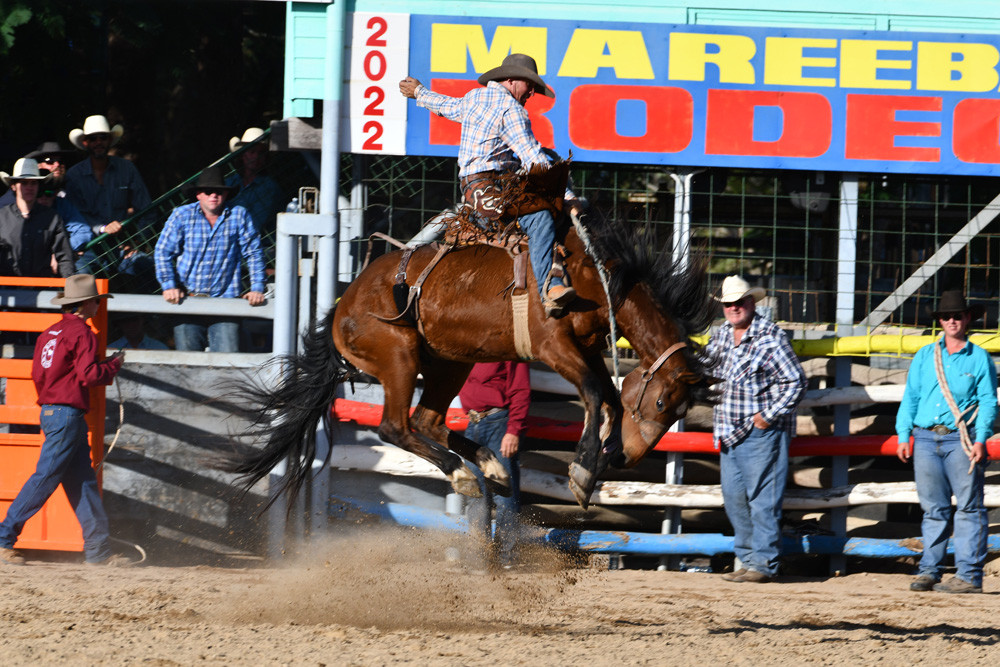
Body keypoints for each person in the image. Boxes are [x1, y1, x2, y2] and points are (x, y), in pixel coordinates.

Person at [399, 53, 578, 313]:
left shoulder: (475, 97)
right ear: (512, 80)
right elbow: (534, 161)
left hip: (477, 188)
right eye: (530, 86)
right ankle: (550, 287)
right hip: (491, 189)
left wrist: (419, 91)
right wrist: (569, 197)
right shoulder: (512, 110)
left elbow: (446, 106)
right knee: (540, 217)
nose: (531, 94)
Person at [0, 274, 127, 567]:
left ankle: (99, 551)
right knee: (47, 476)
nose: (98, 305)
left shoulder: (49, 333)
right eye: (96, 300)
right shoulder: (83, 333)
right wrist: (113, 365)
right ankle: (4, 537)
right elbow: (89, 375)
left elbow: (39, 374)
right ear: (86, 304)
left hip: (53, 411)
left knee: (81, 480)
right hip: (67, 414)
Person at [705, 275, 807, 583]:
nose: (734, 308)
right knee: (735, 499)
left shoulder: (770, 336)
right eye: (728, 304)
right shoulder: (720, 335)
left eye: (739, 302)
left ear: (752, 303)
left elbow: (796, 381)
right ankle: (749, 560)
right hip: (728, 430)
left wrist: (768, 416)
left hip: (760, 431)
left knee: (763, 501)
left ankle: (762, 564)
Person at [896, 290, 997, 595]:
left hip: (960, 439)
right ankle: (931, 570)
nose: (952, 320)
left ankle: (968, 575)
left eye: (957, 315)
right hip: (926, 438)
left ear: (968, 318)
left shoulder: (979, 358)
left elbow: (988, 402)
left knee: (968, 508)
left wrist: (980, 439)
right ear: (939, 321)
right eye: (946, 316)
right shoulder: (926, 355)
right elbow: (911, 397)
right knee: (934, 509)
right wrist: (904, 434)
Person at [154, 166, 267, 352]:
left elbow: (254, 253)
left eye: (219, 191)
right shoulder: (181, 215)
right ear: (198, 194)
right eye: (208, 191)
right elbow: (162, 252)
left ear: (226, 194)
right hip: (186, 300)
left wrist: (256, 288)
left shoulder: (239, 215)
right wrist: (169, 286)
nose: (213, 195)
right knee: (188, 363)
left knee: (227, 362)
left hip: (227, 301)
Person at [64, 115, 155, 289]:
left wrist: (139, 243)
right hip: (89, 247)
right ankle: (84, 316)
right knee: (80, 278)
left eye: (103, 137)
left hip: (121, 246)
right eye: (93, 138)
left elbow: (146, 209)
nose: (98, 142)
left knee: (148, 268)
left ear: (110, 140)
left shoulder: (126, 169)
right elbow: (75, 216)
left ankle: (154, 316)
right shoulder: (74, 176)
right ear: (85, 143)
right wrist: (102, 229)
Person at [459, 361, 531, 568]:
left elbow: (521, 389)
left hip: (498, 422)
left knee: (504, 493)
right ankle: (479, 558)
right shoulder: (469, 347)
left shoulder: (507, 348)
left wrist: (514, 430)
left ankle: (507, 558)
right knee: (474, 494)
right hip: (473, 423)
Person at [0, 157, 75, 277]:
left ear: (38, 186)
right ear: (13, 186)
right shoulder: (2, 217)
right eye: (24, 183)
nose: (29, 187)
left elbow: (64, 257)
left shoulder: (52, 217)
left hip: (42, 289)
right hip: (7, 290)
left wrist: (70, 287)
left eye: (33, 182)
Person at [225, 127, 284, 248]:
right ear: (242, 155)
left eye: (261, 153)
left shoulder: (270, 188)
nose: (256, 157)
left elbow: (257, 223)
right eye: (252, 152)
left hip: (260, 246)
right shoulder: (229, 183)